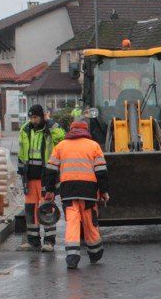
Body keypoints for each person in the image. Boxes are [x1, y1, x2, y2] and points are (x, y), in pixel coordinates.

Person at [43, 117, 108, 269]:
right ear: (86, 130)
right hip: (89, 192)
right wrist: (104, 191)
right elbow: (101, 172)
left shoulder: (61, 146)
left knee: (72, 222)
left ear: (71, 130)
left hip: (68, 191)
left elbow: (50, 170)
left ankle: (72, 256)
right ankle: (95, 252)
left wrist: (50, 190)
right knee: (90, 222)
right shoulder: (94, 146)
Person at [15, 104, 65, 250]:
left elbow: (61, 136)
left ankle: (49, 241)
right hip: (30, 177)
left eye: (35, 117)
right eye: (31, 117)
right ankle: (33, 241)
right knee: (30, 208)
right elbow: (22, 152)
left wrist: (50, 122)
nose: (33, 120)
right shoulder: (26, 129)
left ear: (42, 116)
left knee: (46, 208)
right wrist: (22, 172)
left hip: (46, 177)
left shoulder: (50, 129)